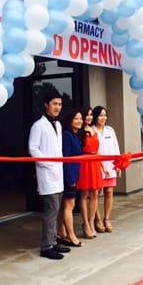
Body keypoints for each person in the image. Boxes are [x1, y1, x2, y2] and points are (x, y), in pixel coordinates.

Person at [28, 89, 71, 260]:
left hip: (57, 174)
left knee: (57, 210)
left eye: (60, 104)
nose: (57, 107)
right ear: (46, 105)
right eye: (54, 104)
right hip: (47, 174)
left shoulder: (58, 125)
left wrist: (57, 164)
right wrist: (48, 163)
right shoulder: (38, 126)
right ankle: (46, 247)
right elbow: (33, 148)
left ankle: (53, 241)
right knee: (51, 212)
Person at [92, 106, 121, 233]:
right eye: (100, 115)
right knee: (96, 194)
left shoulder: (110, 130)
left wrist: (119, 165)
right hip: (97, 166)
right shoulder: (91, 131)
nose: (103, 118)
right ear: (95, 116)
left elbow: (116, 148)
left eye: (105, 115)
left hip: (111, 166)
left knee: (109, 192)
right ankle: (97, 219)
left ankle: (107, 218)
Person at [58, 108, 83, 246]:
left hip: (74, 174)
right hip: (69, 176)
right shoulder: (67, 135)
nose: (80, 121)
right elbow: (65, 159)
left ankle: (62, 233)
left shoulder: (75, 135)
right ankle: (71, 236)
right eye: (76, 119)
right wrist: (70, 178)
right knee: (69, 205)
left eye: (81, 118)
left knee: (67, 206)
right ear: (70, 121)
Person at [77, 106, 104, 239]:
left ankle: (92, 222)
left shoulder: (93, 130)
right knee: (84, 193)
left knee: (95, 193)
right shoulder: (79, 131)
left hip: (95, 162)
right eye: (86, 115)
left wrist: (102, 165)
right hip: (85, 163)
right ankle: (85, 223)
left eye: (90, 115)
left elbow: (98, 149)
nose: (89, 117)